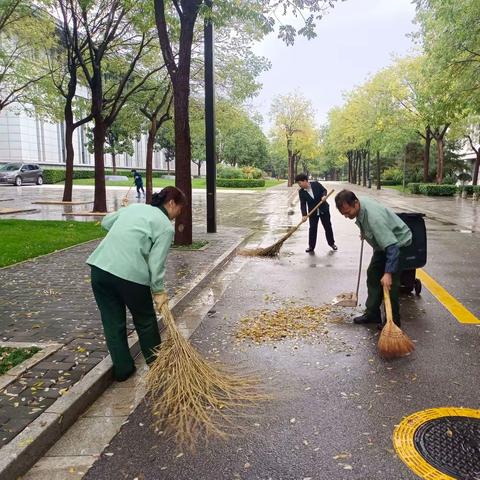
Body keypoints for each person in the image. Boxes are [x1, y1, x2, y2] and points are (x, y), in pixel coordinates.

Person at [87, 186, 186, 381]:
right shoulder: (165, 227)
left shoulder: (134, 208)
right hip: (130, 277)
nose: (178, 215)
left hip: (100, 270)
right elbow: (156, 264)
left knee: (112, 322)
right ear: (172, 203)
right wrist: (158, 291)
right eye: (179, 209)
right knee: (146, 321)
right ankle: (157, 367)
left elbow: (106, 222)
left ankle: (123, 370)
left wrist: (124, 212)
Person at [335, 189, 412, 328]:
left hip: (397, 244)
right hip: (382, 244)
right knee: (373, 274)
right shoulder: (360, 205)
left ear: (355, 203)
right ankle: (372, 314)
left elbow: (392, 247)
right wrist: (365, 231)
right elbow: (366, 222)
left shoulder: (374, 219)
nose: (346, 216)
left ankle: (393, 322)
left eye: (348, 212)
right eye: (343, 214)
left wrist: (388, 273)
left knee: (391, 285)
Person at [295, 173, 337, 253]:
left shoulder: (316, 184)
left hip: (323, 209)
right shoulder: (301, 192)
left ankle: (332, 243)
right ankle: (311, 247)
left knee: (327, 226)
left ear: (305, 181)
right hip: (312, 212)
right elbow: (303, 204)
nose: (299, 185)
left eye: (299, 183)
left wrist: (324, 196)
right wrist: (304, 215)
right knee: (312, 229)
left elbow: (324, 190)